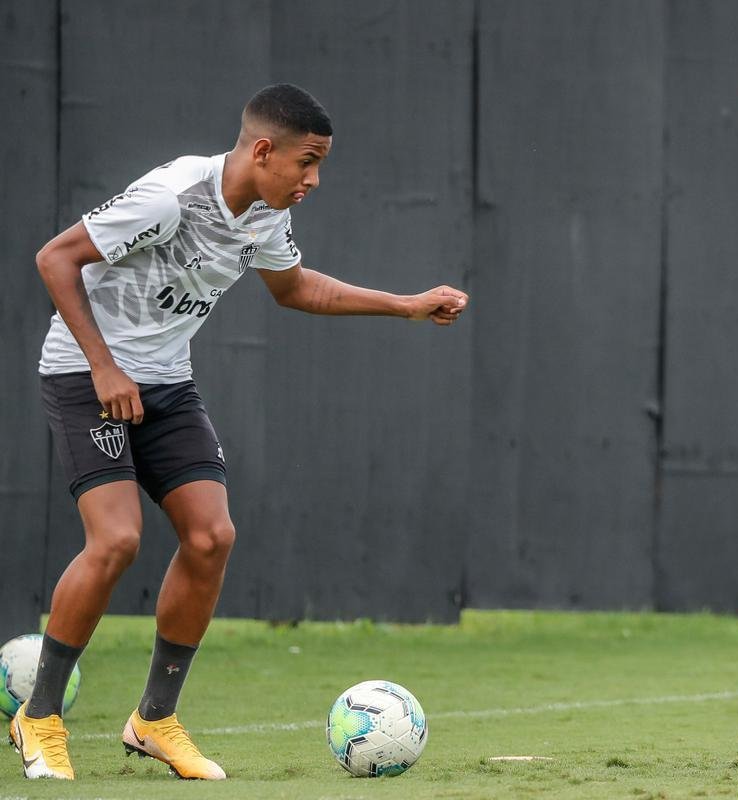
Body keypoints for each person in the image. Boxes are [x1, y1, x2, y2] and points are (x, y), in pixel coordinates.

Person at [12, 83, 468, 781]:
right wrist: (104, 367)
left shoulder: (263, 215)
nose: (313, 181)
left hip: (165, 384)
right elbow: (55, 258)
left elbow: (295, 290)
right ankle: (39, 715)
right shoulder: (172, 195)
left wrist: (404, 305)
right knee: (118, 539)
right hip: (85, 376)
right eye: (307, 163)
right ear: (263, 150)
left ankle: (154, 720)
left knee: (211, 535)